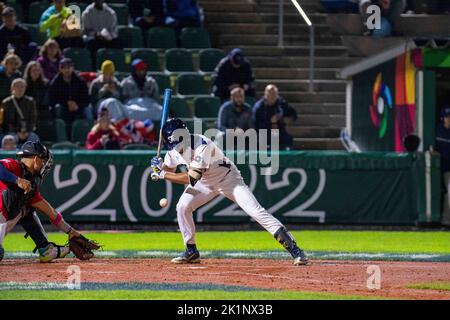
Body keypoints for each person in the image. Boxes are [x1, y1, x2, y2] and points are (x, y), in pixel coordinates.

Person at [150, 118, 309, 265]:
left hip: (228, 180)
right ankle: (191, 251)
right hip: (204, 183)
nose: (179, 150)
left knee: (255, 211)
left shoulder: (202, 145)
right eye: (175, 148)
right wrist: (159, 167)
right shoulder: (172, 151)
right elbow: (170, 168)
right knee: (182, 207)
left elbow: (191, 178)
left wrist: (162, 174)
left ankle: (296, 251)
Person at [0, 141, 85, 263]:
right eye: (43, 161)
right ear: (36, 159)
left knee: (27, 207)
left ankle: (45, 248)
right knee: (17, 195)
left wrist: (71, 231)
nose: (44, 165)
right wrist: (17, 180)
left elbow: (49, 211)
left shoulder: (30, 186)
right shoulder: (13, 166)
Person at [48, 58, 91, 131]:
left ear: (72, 68)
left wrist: (77, 104)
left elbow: (86, 98)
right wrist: (66, 103)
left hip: (78, 106)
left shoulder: (80, 81)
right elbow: (52, 100)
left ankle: (88, 131)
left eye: (69, 67)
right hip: (63, 107)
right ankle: (59, 130)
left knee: (88, 110)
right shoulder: (55, 83)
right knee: (57, 108)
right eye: (64, 68)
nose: (67, 70)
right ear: (60, 69)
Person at [253, 84, 297, 150]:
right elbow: (257, 124)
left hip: (280, 131)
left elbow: (293, 114)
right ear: (265, 94)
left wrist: (289, 119)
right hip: (264, 132)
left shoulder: (281, 103)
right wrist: (271, 123)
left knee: (288, 138)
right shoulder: (259, 107)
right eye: (270, 94)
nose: (272, 96)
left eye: (274, 94)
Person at [82, 0, 122, 69]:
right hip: (94, 39)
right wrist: (96, 34)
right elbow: (86, 31)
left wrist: (109, 36)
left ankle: (117, 67)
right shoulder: (87, 13)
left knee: (118, 43)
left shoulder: (111, 13)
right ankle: (93, 68)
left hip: (108, 39)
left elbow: (114, 31)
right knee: (90, 43)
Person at [0, 78, 39, 146]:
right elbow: (5, 121)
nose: (20, 89)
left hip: (27, 132)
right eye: (17, 86)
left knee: (34, 138)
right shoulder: (6, 102)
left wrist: (27, 131)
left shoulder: (30, 101)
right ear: (12, 88)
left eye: (22, 86)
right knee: (9, 140)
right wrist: (17, 132)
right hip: (11, 132)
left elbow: (33, 119)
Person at [436, 106, 450, 225]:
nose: (448, 119)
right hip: (440, 167)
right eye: (447, 116)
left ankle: (446, 219)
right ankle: (445, 219)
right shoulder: (438, 130)